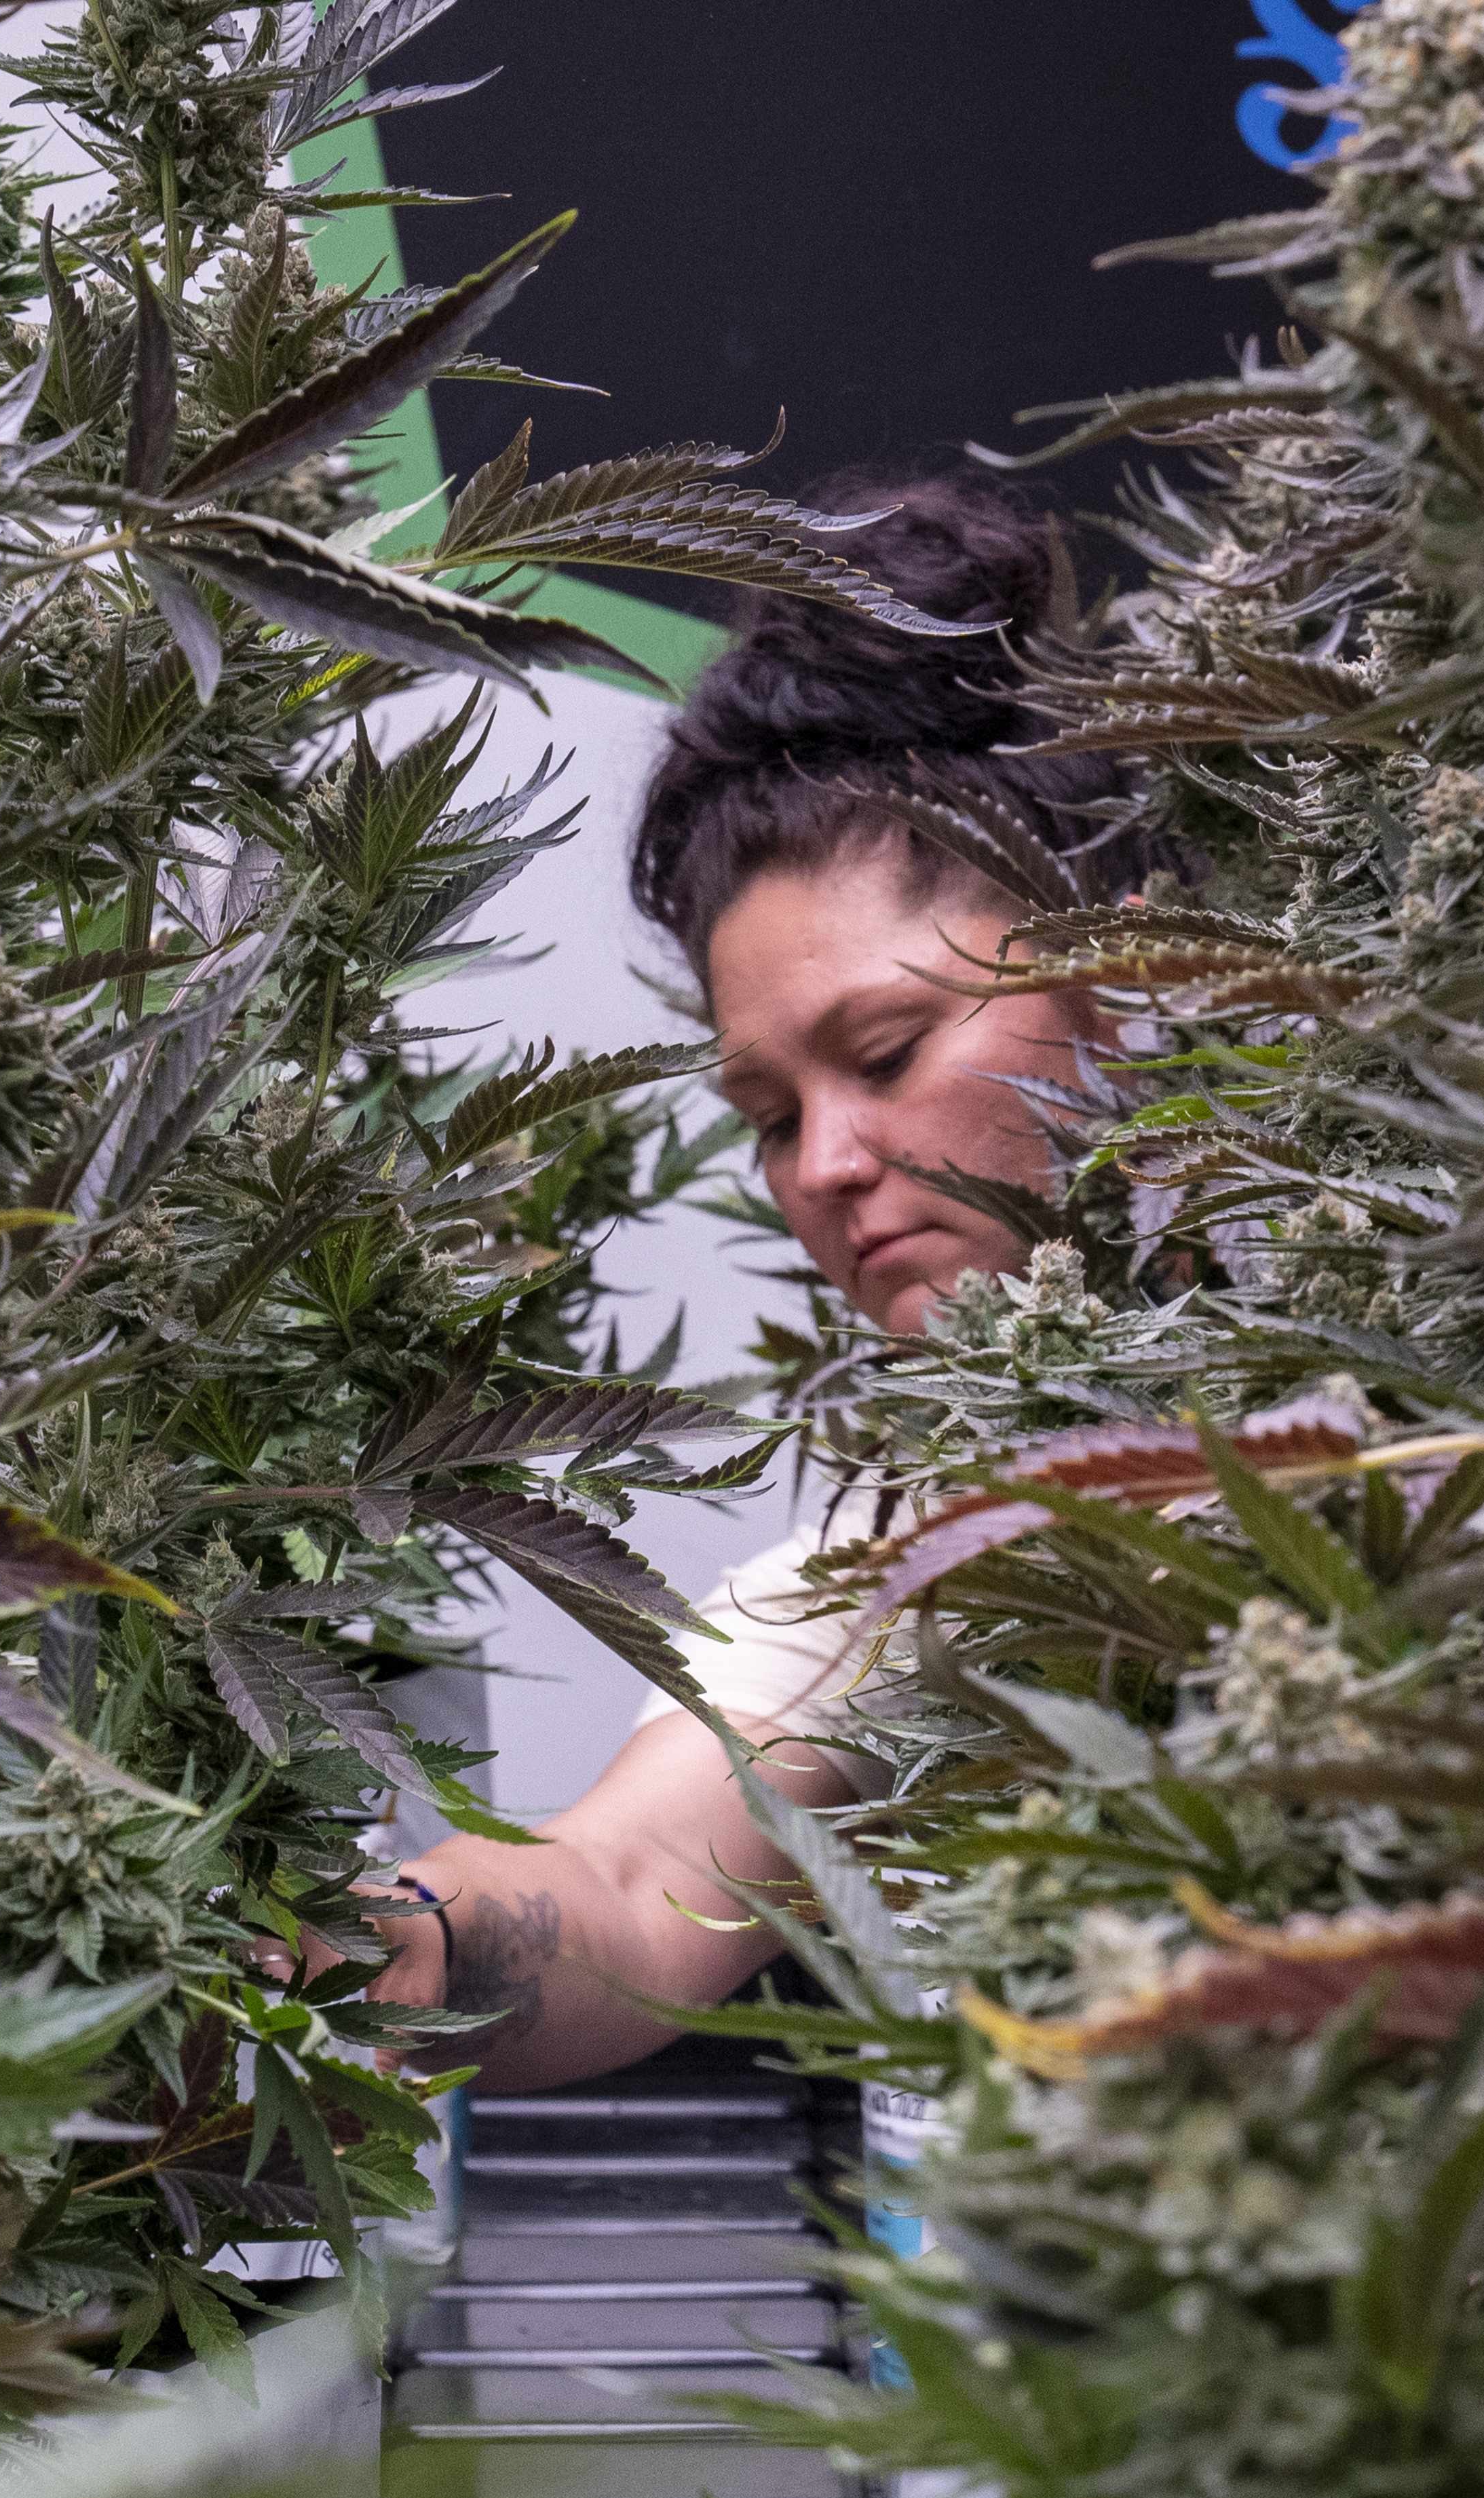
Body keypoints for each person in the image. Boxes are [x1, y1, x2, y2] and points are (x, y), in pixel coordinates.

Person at [356, 477, 1151, 2089]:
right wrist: (327, 1951)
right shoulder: (923, 1552)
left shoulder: (1437, 1377)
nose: (829, 1168)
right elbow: (631, 1896)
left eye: (886, 1051)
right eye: (774, 1118)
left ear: (1135, 980)